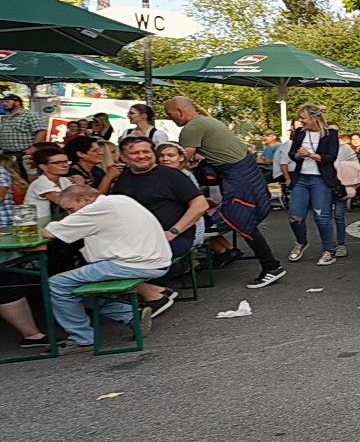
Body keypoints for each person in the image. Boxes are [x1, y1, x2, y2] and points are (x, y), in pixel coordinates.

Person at [162, 96, 286, 289]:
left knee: (241, 220)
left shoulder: (191, 128)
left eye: (170, 115)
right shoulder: (207, 120)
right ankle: (229, 249)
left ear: (180, 111)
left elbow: (179, 160)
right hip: (245, 170)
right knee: (240, 219)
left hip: (238, 175)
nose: (171, 119)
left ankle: (271, 266)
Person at [42, 184, 171, 353]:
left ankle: (82, 339)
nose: (70, 214)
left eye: (71, 209)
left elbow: (49, 233)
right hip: (153, 260)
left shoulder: (96, 208)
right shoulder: (119, 199)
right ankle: (131, 315)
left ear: (85, 200)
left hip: (134, 263)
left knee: (57, 283)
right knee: (79, 286)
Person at [108, 136, 209, 318]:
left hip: (173, 239)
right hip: (138, 241)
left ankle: (150, 296)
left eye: (146, 151)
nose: (141, 156)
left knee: (107, 265)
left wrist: (173, 231)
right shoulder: (123, 180)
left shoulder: (172, 175)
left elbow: (201, 205)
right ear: (123, 157)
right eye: (134, 153)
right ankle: (151, 292)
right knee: (94, 260)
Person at [283, 104, 342, 266]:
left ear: (314, 118)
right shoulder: (300, 134)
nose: (300, 121)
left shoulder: (330, 134)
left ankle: (328, 250)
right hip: (301, 178)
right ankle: (301, 242)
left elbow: (330, 157)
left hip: (320, 179)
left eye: (303, 118)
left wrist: (310, 155)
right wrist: (298, 155)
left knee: (322, 217)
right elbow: (291, 154)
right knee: (295, 216)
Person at [0, 92, 47, 186]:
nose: (4, 104)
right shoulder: (5, 118)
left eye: (7, 101)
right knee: (10, 180)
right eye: (3, 102)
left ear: (17, 103)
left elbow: (41, 131)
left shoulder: (30, 115)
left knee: (26, 179)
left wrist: (32, 148)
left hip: (23, 154)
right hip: (7, 155)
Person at [24, 146, 74, 216]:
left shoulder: (65, 181)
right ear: (43, 167)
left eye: (66, 162)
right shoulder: (41, 183)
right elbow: (68, 203)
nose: (65, 165)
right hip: (37, 224)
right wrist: (80, 184)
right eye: (58, 163)